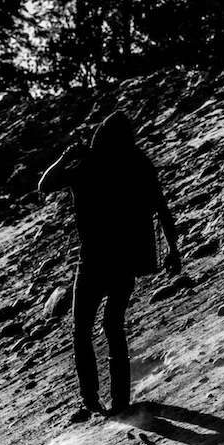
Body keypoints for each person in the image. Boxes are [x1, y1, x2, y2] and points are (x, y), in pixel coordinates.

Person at [39, 111, 181, 419]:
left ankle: (91, 399)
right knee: (113, 326)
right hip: (125, 260)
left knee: (81, 330)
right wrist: (173, 248)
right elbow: (162, 208)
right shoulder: (136, 164)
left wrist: (65, 157)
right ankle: (120, 401)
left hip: (92, 262)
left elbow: (45, 184)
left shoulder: (87, 166)